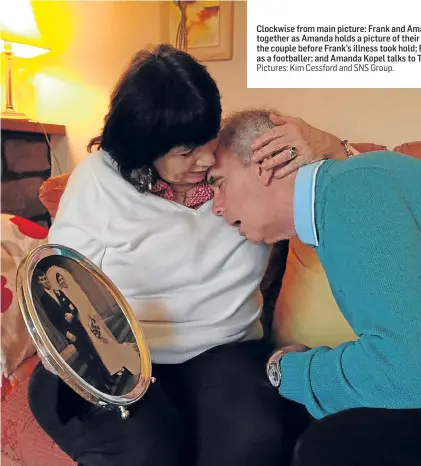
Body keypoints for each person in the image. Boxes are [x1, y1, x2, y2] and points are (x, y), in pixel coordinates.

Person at [28, 44, 347, 466]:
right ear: (144, 146)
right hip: (114, 355)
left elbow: (361, 198)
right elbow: (60, 285)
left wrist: (334, 149)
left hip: (224, 348)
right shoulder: (98, 181)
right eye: (184, 150)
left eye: (207, 138)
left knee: (250, 440)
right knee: (144, 451)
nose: (204, 158)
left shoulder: (252, 161)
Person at [208, 109, 421, 466]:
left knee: (330, 449)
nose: (216, 207)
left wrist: (285, 368)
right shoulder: (343, 193)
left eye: (219, 182)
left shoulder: (354, 191)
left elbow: (407, 376)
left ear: (264, 161)